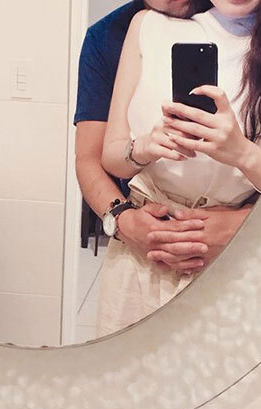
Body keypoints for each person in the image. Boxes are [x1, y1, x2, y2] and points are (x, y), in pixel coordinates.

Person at [97, 0, 261, 336]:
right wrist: (144, 148)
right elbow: (111, 156)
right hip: (140, 263)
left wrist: (242, 153)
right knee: (123, 368)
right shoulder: (147, 27)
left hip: (235, 265)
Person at [75, 0, 250, 281]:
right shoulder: (110, 36)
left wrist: (243, 223)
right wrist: (124, 221)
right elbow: (89, 158)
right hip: (144, 233)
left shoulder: (246, 18)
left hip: (239, 249)